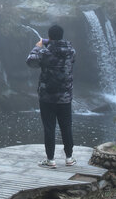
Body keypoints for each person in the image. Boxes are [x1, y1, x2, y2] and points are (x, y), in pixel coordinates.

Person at [26, 24, 76, 168]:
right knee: (66, 127)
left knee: (49, 128)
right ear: (62, 35)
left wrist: (38, 46)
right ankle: (69, 158)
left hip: (47, 98)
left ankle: (51, 160)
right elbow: (68, 57)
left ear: (49, 37)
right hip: (65, 97)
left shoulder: (44, 53)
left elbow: (30, 61)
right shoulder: (71, 51)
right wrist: (51, 43)